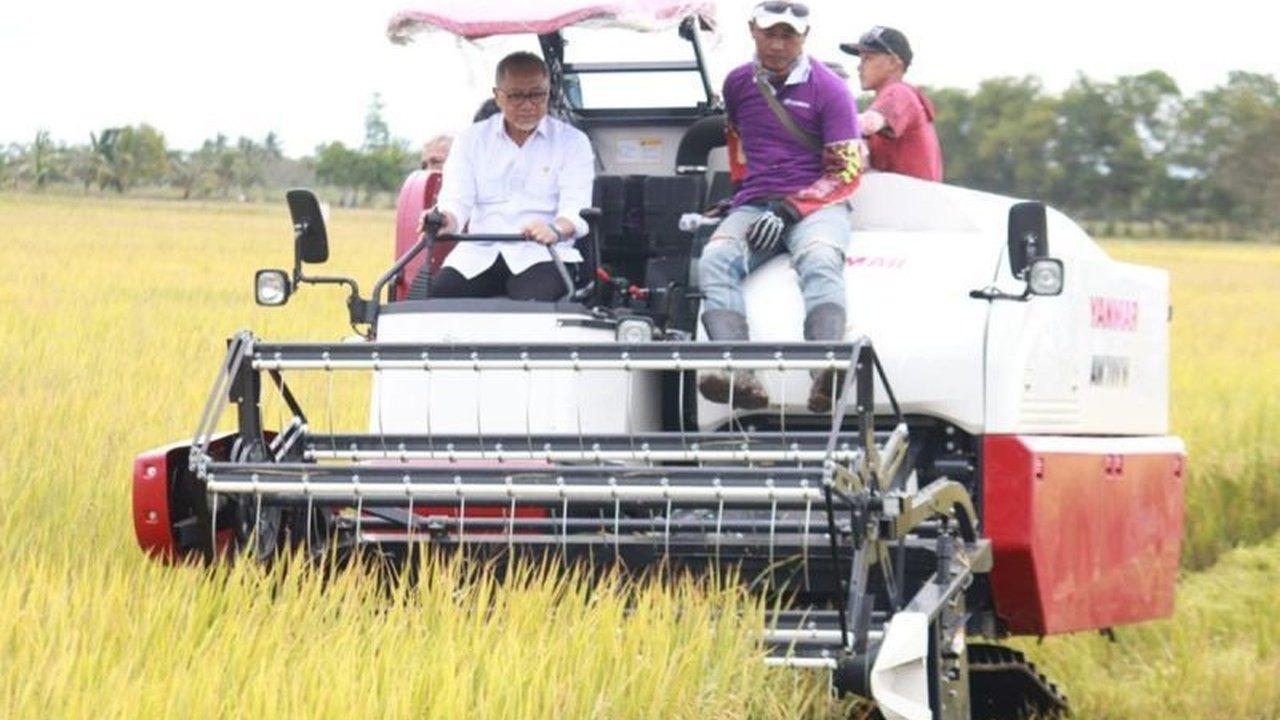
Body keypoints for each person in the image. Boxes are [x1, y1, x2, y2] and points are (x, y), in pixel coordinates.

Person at [698, 1, 863, 413]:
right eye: (770, 33)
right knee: (715, 259)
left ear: (804, 37)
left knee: (820, 258)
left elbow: (846, 172)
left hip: (817, 205)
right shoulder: (737, 83)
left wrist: (791, 208)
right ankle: (737, 371)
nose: (777, 44)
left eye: (788, 35)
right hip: (757, 203)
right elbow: (739, 143)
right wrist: (740, 197)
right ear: (752, 30)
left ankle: (827, 365)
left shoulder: (831, 89)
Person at [428, 51, 594, 301]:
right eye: (516, 96)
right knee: (441, 294)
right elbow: (456, 202)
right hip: (479, 253)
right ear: (497, 97)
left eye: (537, 95)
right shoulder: (471, 140)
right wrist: (443, 221)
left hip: (545, 254)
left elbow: (576, 211)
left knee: (534, 300)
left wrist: (554, 229)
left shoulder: (573, 142)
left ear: (549, 93)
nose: (527, 105)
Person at [839, 26, 943, 181]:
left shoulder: (899, 92)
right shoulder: (895, 99)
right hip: (908, 198)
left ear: (894, 63)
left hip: (909, 200)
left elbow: (868, 124)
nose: (859, 66)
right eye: (861, 59)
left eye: (868, 58)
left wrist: (820, 122)